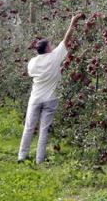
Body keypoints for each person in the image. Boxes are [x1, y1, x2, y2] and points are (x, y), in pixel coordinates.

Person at [17, 12, 83, 163]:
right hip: (50, 99)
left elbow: (31, 73)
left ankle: (22, 156)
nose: (53, 47)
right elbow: (66, 40)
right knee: (43, 130)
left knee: (29, 127)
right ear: (47, 49)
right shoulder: (54, 57)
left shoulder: (32, 63)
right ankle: (39, 160)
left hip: (35, 98)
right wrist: (73, 22)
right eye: (50, 45)